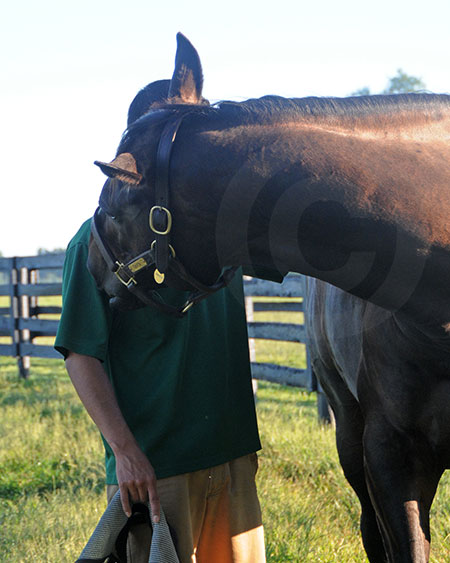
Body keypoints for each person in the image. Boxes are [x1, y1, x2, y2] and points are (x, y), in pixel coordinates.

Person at [54, 215, 265, 561]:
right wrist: (124, 452)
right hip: (156, 469)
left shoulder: (224, 226)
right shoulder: (98, 239)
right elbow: (80, 353)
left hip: (233, 455)